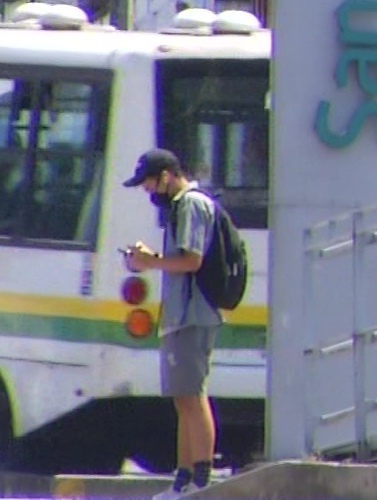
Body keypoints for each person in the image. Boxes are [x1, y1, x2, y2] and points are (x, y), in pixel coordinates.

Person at [121, 149, 220, 497]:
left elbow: (192, 261)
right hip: (179, 315)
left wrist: (151, 262)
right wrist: (148, 261)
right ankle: (183, 477)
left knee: (193, 395)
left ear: (166, 176)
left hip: (194, 314)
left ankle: (201, 480)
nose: (149, 192)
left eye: (149, 184)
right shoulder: (179, 208)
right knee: (182, 399)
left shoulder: (191, 204)